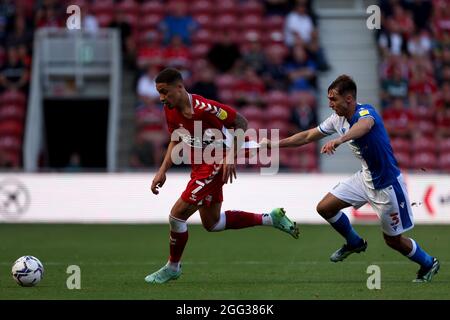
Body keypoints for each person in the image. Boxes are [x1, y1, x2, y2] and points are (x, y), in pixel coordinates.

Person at [260, 75, 440, 282]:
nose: (330, 104)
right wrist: (274, 145)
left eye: (333, 99)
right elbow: (308, 136)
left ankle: (428, 262)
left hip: (387, 186)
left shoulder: (366, 112)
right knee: (325, 207)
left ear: (348, 99)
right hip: (365, 178)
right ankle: (354, 242)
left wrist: (339, 140)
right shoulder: (336, 119)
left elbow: (363, 126)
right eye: (328, 99)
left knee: (393, 241)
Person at [145, 68, 299, 284]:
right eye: (159, 93)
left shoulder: (204, 108)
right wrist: (162, 170)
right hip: (199, 165)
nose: (161, 98)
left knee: (177, 215)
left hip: (215, 163)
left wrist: (230, 156)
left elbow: (242, 123)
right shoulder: (170, 109)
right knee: (213, 223)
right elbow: (175, 138)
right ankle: (271, 218)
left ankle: (173, 267)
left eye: (164, 92)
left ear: (179, 87)